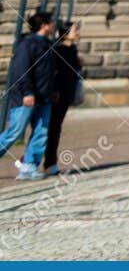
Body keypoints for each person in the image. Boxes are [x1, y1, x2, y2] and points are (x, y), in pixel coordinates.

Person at [1, 10, 56, 180]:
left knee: (41, 132)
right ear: (44, 25)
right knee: (15, 132)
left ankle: (29, 166)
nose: (54, 26)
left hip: (44, 97)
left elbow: (48, 72)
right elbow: (21, 70)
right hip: (26, 97)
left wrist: (52, 91)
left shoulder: (47, 44)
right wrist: (27, 92)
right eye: (51, 22)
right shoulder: (27, 44)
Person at [41, 20, 82, 175]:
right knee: (51, 128)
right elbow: (52, 73)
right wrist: (54, 91)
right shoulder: (57, 50)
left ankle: (48, 162)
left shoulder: (72, 49)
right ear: (65, 34)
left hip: (66, 94)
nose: (77, 33)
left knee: (55, 128)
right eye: (74, 30)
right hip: (57, 95)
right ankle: (47, 163)